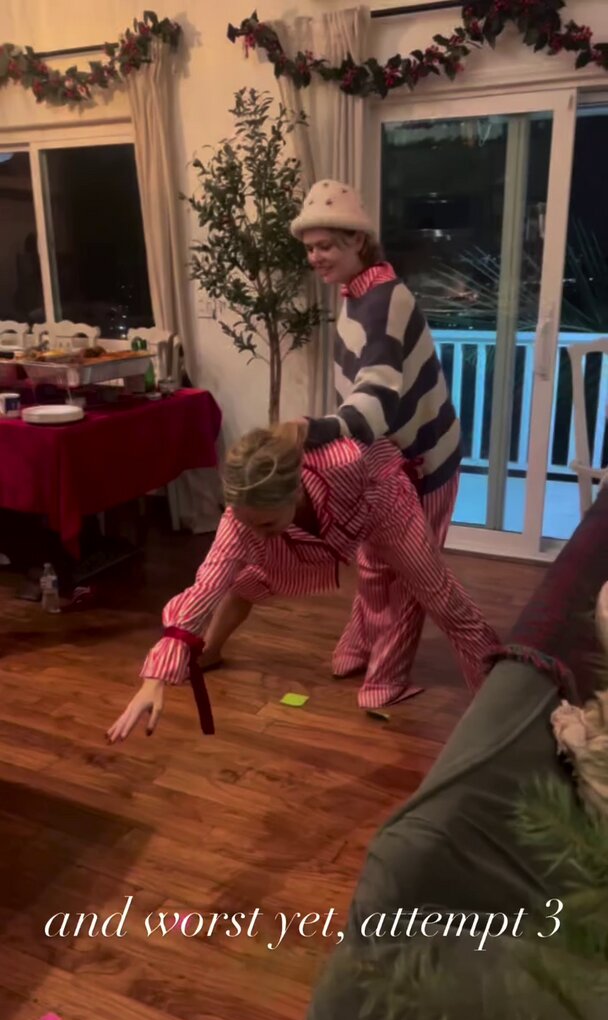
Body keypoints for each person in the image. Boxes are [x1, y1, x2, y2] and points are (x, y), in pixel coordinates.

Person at [106, 423, 499, 744]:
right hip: (307, 530)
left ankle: (500, 696)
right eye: (243, 522)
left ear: (295, 492)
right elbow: (205, 587)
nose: (253, 535)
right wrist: (154, 680)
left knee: (441, 598)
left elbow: (385, 443)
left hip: (384, 503)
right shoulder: (244, 522)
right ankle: (209, 650)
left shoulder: (345, 461)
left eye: (263, 524)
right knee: (243, 577)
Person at [290, 178, 462, 700]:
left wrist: (320, 430)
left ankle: (386, 677)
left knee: (412, 573)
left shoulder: (388, 299)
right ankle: (361, 642)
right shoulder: (354, 296)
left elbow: (377, 394)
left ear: (358, 241)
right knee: (371, 561)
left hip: (426, 460)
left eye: (325, 246)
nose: (315, 258)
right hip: (382, 458)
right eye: (310, 248)